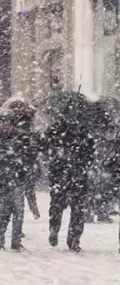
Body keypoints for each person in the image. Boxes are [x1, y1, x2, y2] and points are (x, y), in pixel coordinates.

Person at [0, 111, 34, 251]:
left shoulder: (21, 138)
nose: (4, 125)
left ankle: (15, 241)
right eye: (1, 122)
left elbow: (29, 156)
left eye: (7, 121)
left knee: (18, 213)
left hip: (16, 179)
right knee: (0, 213)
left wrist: (25, 170)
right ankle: (0, 239)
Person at [46, 105, 94, 251]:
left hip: (75, 176)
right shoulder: (57, 130)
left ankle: (73, 238)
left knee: (76, 210)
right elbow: (48, 147)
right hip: (62, 175)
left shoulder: (84, 133)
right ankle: (57, 230)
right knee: (59, 207)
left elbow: (90, 155)